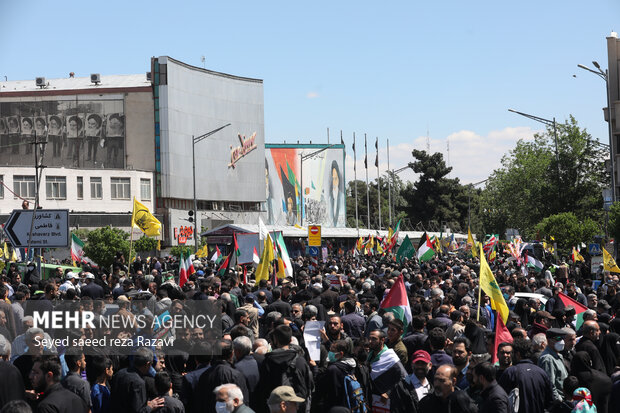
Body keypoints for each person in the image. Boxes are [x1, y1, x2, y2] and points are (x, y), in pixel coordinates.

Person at [499, 338, 553, 413]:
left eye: (512, 353)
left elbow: (500, 399)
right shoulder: (542, 373)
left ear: (517, 354)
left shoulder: (510, 372)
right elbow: (550, 400)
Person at [110, 347, 165, 413]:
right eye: (151, 364)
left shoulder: (120, 373)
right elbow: (139, 411)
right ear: (148, 364)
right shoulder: (138, 383)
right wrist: (150, 407)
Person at [538, 328, 569, 402]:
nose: (561, 341)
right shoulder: (548, 359)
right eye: (558, 338)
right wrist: (560, 401)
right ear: (549, 340)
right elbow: (550, 385)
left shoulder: (558, 355)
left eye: (563, 338)